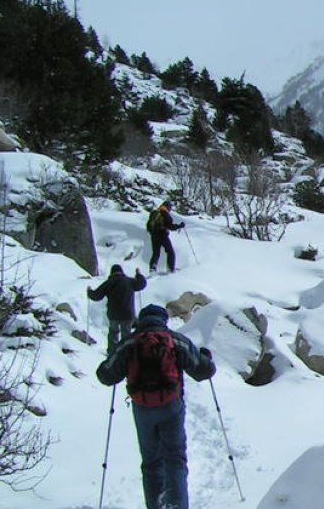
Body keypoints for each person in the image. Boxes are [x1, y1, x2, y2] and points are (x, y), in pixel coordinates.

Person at [96, 304, 215, 509]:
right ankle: (177, 505)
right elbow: (203, 370)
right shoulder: (175, 340)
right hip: (171, 406)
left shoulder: (130, 342)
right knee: (175, 459)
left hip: (142, 408)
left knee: (151, 463)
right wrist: (206, 357)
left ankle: (156, 505)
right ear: (164, 320)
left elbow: (105, 375)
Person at [87, 263, 147, 351]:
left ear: (112, 273)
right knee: (126, 334)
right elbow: (141, 284)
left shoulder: (109, 282)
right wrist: (139, 275)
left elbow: (96, 295)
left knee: (113, 333)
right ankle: (126, 352)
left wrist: (89, 292)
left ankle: (112, 352)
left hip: (113, 314)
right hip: (128, 314)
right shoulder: (130, 281)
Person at [147, 200, 185, 274]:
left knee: (156, 253)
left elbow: (148, 226)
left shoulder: (154, 213)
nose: (170, 209)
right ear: (168, 207)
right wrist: (180, 226)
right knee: (170, 252)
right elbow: (170, 226)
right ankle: (171, 269)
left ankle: (152, 269)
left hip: (154, 235)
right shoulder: (165, 213)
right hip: (163, 234)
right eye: (170, 207)